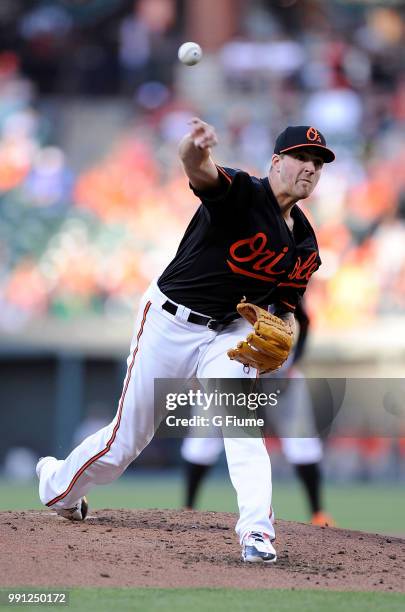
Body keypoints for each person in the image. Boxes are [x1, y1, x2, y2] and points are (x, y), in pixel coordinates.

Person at [36, 118, 335, 564]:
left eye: (317, 162)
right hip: (171, 321)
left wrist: (283, 332)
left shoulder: (305, 246)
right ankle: (57, 484)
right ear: (276, 162)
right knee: (125, 443)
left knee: (242, 429)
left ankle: (257, 533)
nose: (309, 168)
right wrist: (192, 147)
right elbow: (199, 168)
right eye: (300, 158)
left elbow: (287, 308)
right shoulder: (242, 195)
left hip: (228, 333)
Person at [182, 300, 336, 528]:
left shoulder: (279, 277)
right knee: (203, 438)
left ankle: (318, 513)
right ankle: (188, 509)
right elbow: (201, 325)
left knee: (302, 441)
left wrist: (296, 360)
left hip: (276, 374)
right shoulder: (222, 279)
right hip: (227, 368)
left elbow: (304, 317)